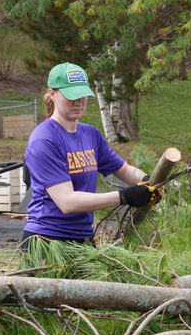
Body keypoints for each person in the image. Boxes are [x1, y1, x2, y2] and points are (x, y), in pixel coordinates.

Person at [21, 62, 164, 248]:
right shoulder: (44, 140)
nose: (79, 102)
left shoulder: (90, 134)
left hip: (83, 238)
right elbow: (67, 202)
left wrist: (151, 181)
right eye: (71, 96)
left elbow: (124, 170)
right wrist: (125, 196)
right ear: (52, 94)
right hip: (47, 241)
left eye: (82, 95)